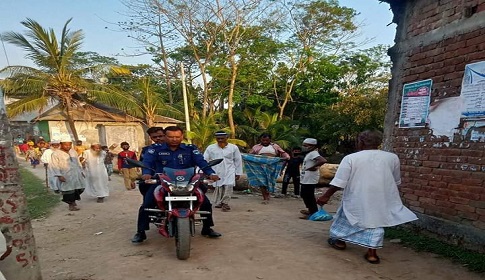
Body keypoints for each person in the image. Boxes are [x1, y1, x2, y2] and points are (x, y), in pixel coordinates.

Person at [316, 130, 418, 264]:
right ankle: (372, 254)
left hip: (357, 195)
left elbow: (339, 182)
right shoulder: (392, 158)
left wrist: (326, 196)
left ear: (361, 142)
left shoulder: (351, 158)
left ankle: (340, 241)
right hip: (381, 197)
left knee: (349, 216)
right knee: (375, 221)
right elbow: (396, 180)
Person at [132, 126, 222, 243]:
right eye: (170, 137)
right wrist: (147, 174)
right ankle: (141, 232)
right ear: (165, 136)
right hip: (162, 181)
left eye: (177, 137)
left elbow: (201, 162)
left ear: (182, 137)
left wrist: (210, 173)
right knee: (147, 204)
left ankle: (207, 228)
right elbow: (147, 162)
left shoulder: (190, 149)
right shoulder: (155, 149)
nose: (174, 139)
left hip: (188, 182)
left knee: (205, 203)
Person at [203, 131, 243, 212]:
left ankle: (225, 203)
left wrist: (238, 173)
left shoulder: (233, 147)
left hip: (230, 170)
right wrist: (206, 172)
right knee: (219, 187)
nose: (220, 140)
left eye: (222, 138)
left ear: (227, 138)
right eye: (218, 139)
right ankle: (220, 202)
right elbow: (205, 159)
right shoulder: (211, 148)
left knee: (229, 186)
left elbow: (238, 160)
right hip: (216, 171)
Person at [248, 133, 290, 202]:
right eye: (263, 140)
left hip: (272, 166)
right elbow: (250, 155)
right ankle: (265, 197)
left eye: (266, 140)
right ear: (260, 140)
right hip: (260, 166)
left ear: (270, 140)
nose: (265, 142)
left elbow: (283, 153)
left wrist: (286, 157)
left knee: (270, 180)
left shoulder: (275, 146)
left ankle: (268, 193)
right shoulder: (256, 147)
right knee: (261, 181)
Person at [50, 137, 86, 211]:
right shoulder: (56, 154)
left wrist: (81, 171)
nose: (68, 146)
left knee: (80, 188)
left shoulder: (73, 152)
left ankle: (73, 201)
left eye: (69, 145)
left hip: (76, 174)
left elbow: (78, 162)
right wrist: (59, 175)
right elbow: (54, 165)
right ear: (61, 144)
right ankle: (71, 205)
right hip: (65, 175)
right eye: (66, 145)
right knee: (69, 190)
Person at [299, 138, 327, 218]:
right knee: (304, 194)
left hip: (310, 178)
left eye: (305, 145)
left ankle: (313, 212)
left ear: (312, 146)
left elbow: (323, 160)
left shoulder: (313, 153)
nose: (304, 147)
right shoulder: (310, 153)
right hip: (306, 177)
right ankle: (310, 209)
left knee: (308, 195)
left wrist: (314, 167)